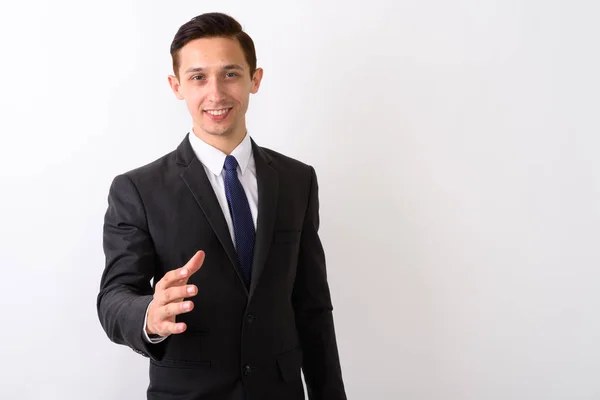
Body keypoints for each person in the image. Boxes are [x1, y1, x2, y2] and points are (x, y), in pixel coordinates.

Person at [96, 12, 347, 400]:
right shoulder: (137, 189)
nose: (215, 93)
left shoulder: (298, 180)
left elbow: (312, 307)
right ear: (176, 85)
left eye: (230, 74)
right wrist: (150, 314)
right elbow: (114, 297)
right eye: (198, 77)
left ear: (254, 79)